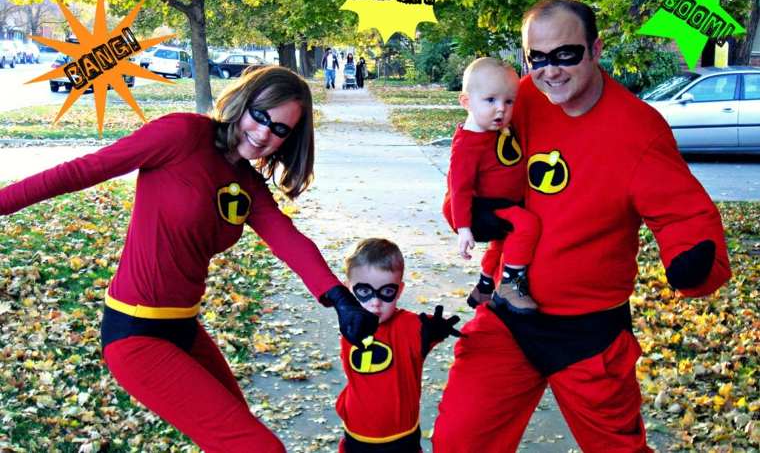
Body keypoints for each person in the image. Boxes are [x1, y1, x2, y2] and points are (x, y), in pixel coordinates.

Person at [0, 66, 378, 452]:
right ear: (242, 104)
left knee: (236, 436)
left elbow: (289, 240)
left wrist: (340, 299)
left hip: (185, 330)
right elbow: (80, 172)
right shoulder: (181, 135)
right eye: (261, 116)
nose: (264, 133)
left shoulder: (248, 183)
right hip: (135, 335)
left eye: (280, 129)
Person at [432, 0, 731, 452]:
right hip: (509, 315)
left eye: (566, 54)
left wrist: (691, 259)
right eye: (539, 58)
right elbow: (474, 161)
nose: (551, 70)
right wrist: (468, 212)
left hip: (589, 334)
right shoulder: (522, 99)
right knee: (460, 440)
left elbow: (683, 213)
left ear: (595, 48)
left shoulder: (638, 129)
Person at [336, 238, 462, 453]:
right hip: (357, 433)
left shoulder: (411, 327)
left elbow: (428, 329)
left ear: (399, 290)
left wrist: (435, 330)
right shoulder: (350, 323)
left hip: (401, 436)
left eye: (386, 292)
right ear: (349, 289)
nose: (375, 302)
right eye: (365, 292)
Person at [442, 57, 541, 313]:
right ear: (466, 102)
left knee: (503, 240)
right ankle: (511, 285)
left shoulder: (497, 129)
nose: (501, 109)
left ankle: (484, 286)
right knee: (526, 225)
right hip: (476, 209)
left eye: (509, 102)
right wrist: (463, 228)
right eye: (490, 101)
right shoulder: (467, 143)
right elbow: (459, 188)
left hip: (501, 203)